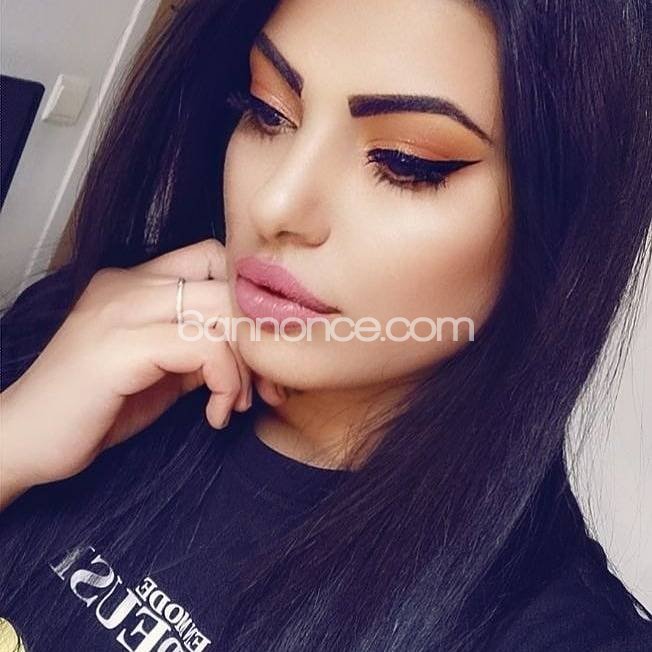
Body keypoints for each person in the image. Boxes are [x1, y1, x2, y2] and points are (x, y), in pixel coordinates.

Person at [1, 0, 651, 650]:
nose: (276, 203)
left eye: (404, 162)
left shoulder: (556, 632)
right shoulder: (83, 336)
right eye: (268, 112)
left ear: (562, 226)